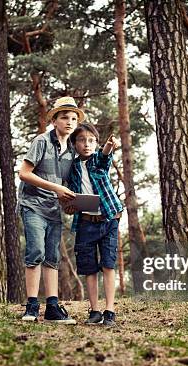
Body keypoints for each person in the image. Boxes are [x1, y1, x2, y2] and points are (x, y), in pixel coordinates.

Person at [17, 96, 85, 324]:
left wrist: (72, 202)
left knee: (52, 257)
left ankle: (53, 307)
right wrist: (56, 187)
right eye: (64, 117)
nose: (70, 122)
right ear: (54, 120)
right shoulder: (42, 141)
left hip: (54, 210)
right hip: (33, 205)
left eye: (74, 118)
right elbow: (24, 173)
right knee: (35, 252)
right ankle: (32, 306)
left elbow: (72, 184)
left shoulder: (73, 151)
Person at [64, 123, 123, 327]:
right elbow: (70, 195)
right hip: (86, 223)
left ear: (96, 143)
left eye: (91, 140)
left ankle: (110, 311)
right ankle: (95, 311)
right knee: (89, 268)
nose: (86, 144)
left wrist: (108, 145)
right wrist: (69, 206)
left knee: (108, 264)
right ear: (74, 144)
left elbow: (105, 155)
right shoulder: (72, 168)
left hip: (108, 219)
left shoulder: (99, 160)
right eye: (81, 140)